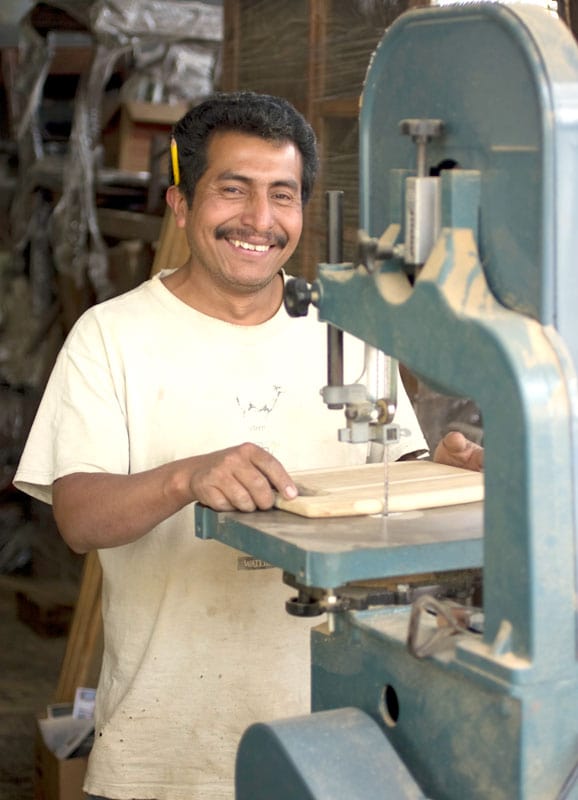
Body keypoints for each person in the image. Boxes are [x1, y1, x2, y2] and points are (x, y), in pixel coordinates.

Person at [14, 91, 483, 800]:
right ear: (181, 203)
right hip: (167, 748)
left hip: (333, 733)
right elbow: (78, 517)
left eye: (282, 196)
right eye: (233, 191)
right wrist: (186, 478)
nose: (260, 221)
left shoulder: (345, 329)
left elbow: (392, 472)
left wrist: (442, 475)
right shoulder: (112, 337)